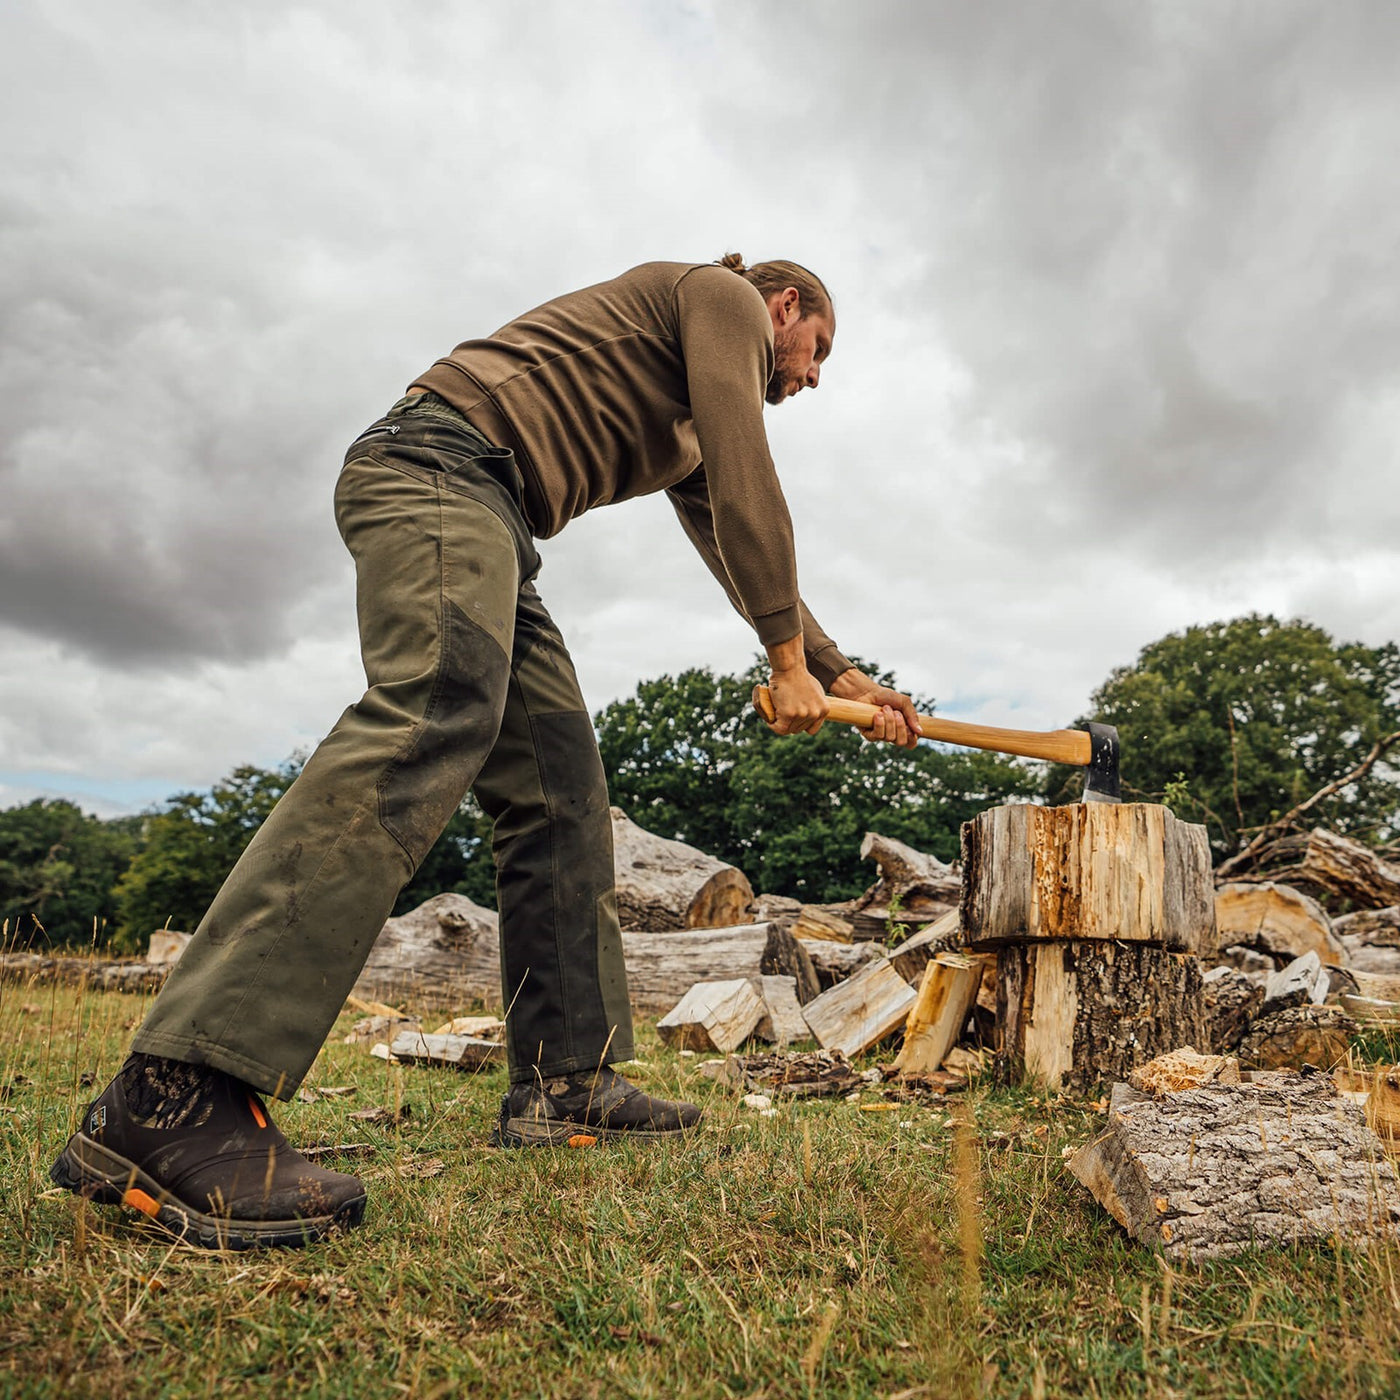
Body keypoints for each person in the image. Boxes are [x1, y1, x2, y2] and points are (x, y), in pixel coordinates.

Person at [51, 254, 922, 1248]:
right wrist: (780, 658)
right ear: (785, 305)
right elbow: (746, 463)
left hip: (492, 518)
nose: (811, 376)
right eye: (819, 351)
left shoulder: (680, 424)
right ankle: (177, 1086)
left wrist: (837, 672)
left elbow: (730, 523)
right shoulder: (718, 296)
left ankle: (567, 1080)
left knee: (561, 787)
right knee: (437, 706)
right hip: (433, 468)